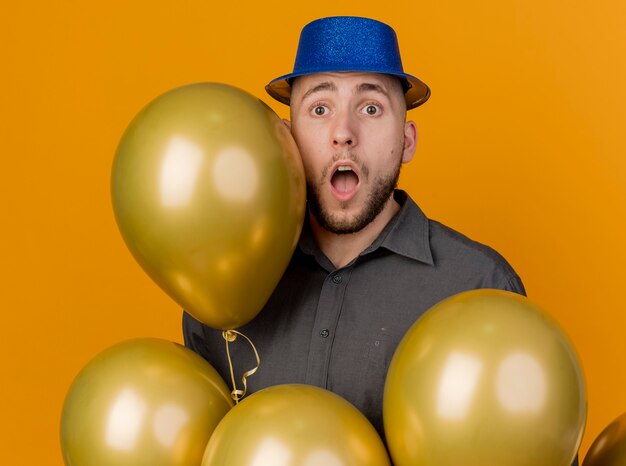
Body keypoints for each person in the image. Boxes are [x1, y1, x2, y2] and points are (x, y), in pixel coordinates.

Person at [183, 16, 576, 465]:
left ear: (406, 140)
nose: (344, 132)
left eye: (371, 108)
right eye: (319, 108)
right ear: (286, 137)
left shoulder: (479, 287)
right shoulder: (228, 281)